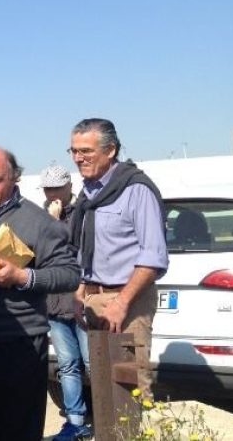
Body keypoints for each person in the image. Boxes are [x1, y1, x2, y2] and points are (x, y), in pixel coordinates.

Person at [0, 145, 81, 441]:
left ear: (14, 177)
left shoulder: (37, 221)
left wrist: (23, 276)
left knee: (18, 431)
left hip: (17, 346)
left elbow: (69, 274)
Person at [69, 118, 168, 399]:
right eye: (74, 151)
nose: (78, 158)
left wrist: (121, 303)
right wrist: (79, 293)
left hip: (127, 302)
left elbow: (153, 256)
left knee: (131, 387)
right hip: (94, 301)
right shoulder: (88, 194)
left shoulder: (135, 189)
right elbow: (84, 249)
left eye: (86, 150)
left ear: (110, 150)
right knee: (104, 390)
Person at [39, 164, 93, 441]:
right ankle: (75, 421)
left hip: (79, 299)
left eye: (56, 188)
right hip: (54, 304)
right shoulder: (42, 214)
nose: (51, 194)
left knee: (91, 362)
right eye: (47, 190)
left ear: (68, 186)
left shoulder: (83, 211)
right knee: (67, 365)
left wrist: (56, 223)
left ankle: (109, 413)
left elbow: (74, 254)